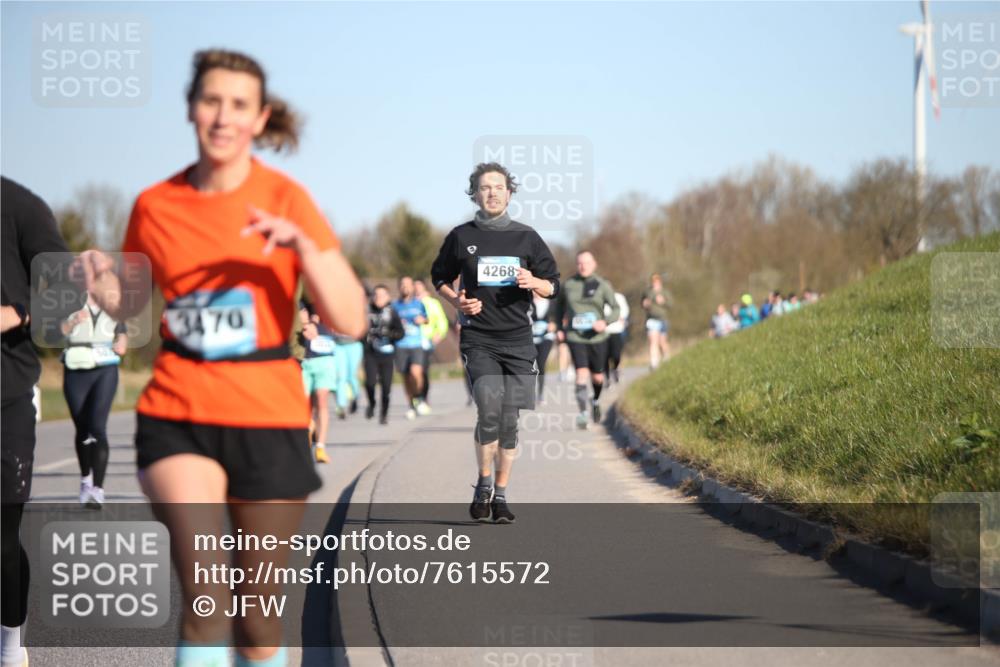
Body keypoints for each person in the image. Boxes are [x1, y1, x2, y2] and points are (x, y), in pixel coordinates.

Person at [84, 49, 366, 667]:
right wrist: (101, 281)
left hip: (266, 414)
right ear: (191, 107)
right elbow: (129, 304)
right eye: (211, 100)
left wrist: (304, 249)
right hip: (178, 409)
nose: (223, 117)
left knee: (259, 618)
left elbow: (351, 321)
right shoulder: (155, 205)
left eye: (239, 105)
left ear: (260, 118)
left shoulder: (287, 199)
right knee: (206, 596)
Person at [431, 162, 559, 524]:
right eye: (485, 187)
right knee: (488, 408)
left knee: (509, 421)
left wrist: (535, 281)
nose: (492, 193)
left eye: (498, 187)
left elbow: (553, 284)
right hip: (479, 338)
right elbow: (439, 276)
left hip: (519, 340)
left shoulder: (527, 238)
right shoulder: (460, 236)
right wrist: (456, 301)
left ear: (509, 192)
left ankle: (501, 494)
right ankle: (483, 483)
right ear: (475, 193)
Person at [2, 176, 81, 667]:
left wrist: (17, 312)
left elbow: (68, 295)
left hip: (5, 394)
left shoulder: (19, 206)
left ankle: (10, 646)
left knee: (1, 541)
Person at [60, 291, 129, 508]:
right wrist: (72, 321)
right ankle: (85, 480)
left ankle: (97, 489)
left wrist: (121, 343)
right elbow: (55, 333)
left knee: (98, 427)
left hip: (105, 369)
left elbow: (122, 333)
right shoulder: (66, 299)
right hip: (75, 367)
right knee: (82, 428)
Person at [552, 251, 620, 429]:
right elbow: (558, 308)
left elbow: (615, 308)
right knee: (581, 373)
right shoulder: (568, 285)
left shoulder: (602, 285)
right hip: (575, 336)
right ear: (576, 265)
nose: (583, 266)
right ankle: (582, 413)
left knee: (597, 377)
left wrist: (605, 322)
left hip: (598, 337)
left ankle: (595, 400)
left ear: (594, 264)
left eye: (587, 263)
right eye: (580, 263)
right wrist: (559, 328)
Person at [298, 300, 337, 463]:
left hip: (324, 361)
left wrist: (316, 321)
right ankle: (308, 436)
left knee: (322, 401)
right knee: (304, 405)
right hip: (304, 363)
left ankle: (320, 446)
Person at [364, 284, 403, 425]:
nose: (378, 298)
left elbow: (400, 332)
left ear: (387, 297)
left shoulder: (392, 311)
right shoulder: (366, 311)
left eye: (382, 295)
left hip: (387, 353)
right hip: (370, 353)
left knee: (386, 387)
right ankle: (372, 403)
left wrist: (390, 334)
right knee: (370, 383)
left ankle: (384, 414)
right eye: (376, 295)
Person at [392, 276, 428, 420]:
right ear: (399, 287)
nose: (405, 287)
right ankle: (411, 406)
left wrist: (422, 320)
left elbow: (426, 319)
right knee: (406, 377)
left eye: (408, 285)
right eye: (402, 285)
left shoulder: (419, 304)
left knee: (415, 373)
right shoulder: (394, 306)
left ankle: (419, 396)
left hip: (415, 344)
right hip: (400, 345)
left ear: (413, 287)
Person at [413, 277, 449, 413]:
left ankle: (423, 396)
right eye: (414, 286)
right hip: (410, 342)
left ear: (425, 287)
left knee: (423, 371)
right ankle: (416, 396)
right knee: (412, 371)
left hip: (426, 342)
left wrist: (438, 335)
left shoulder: (432, 303)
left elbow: (442, 322)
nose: (416, 288)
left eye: (419, 286)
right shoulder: (409, 303)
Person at [530, 293, 557, 401]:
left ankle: (540, 393)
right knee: (529, 366)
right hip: (531, 338)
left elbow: (559, 316)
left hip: (546, 337)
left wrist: (555, 324)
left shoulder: (552, 302)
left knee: (541, 363)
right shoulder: (528, 302)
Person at [641, 273, 672, 369]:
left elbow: (670, 304)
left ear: (660, 281)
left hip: (662, 319)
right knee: (653, 341)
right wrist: (644, 304)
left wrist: (663, 301)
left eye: (657, 281)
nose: (655, 283)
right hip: (651, 319)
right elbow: (642, 303)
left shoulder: (665, 292)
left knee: (662, 341)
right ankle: (654, 362)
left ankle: (666, 357)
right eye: (653, 281)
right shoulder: (647, 292)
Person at [332, 329, 363, 420]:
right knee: (341, 377)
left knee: (352, 376)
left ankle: (355, 397)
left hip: (354, 345)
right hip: (338, 345)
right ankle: (341, 406)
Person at [604, 291, 629, 385]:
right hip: (604, 331)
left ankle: (615, 369)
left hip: (617, 330)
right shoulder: (600, 296)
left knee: (616, 354)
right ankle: (606, 377)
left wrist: (623, 318)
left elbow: (625, 310)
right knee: (604, 356)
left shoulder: (619, 297)